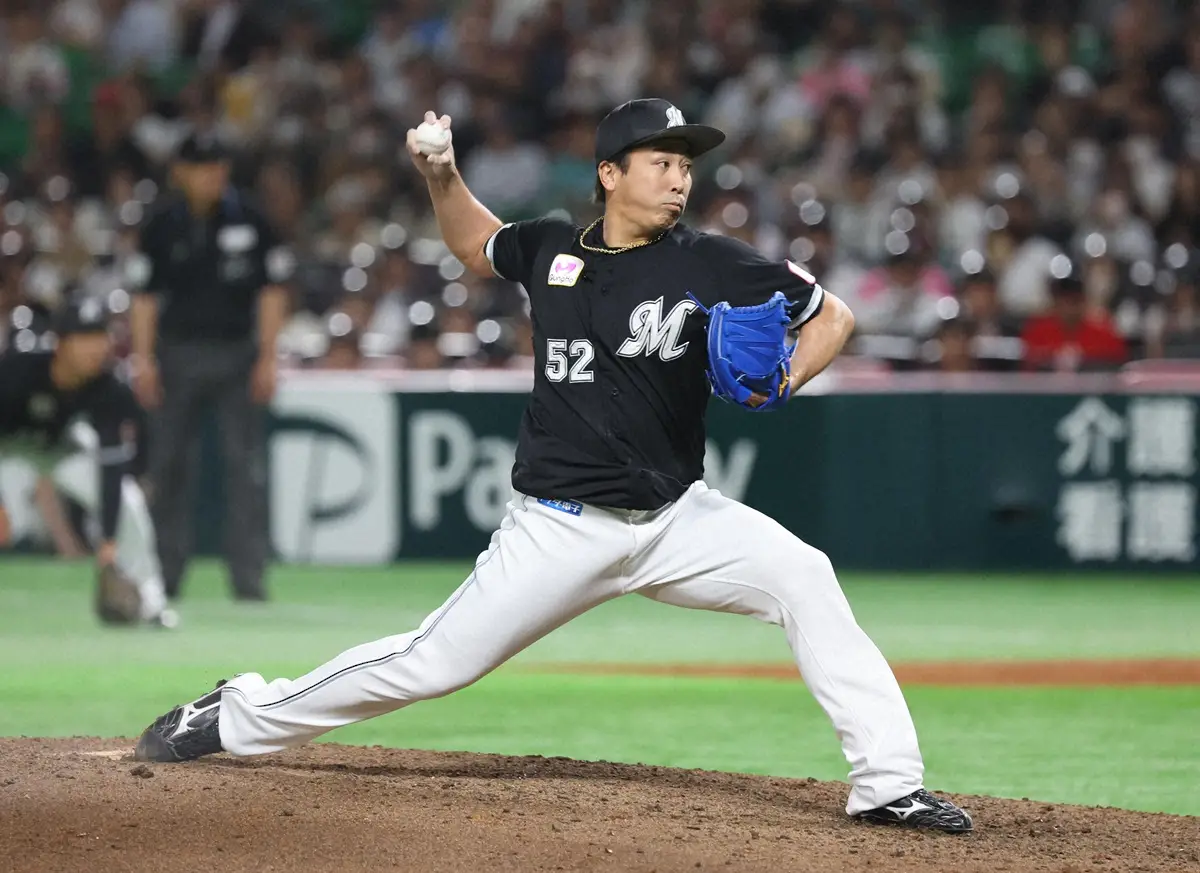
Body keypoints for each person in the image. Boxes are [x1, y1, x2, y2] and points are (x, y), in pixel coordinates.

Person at [133, 100, 973, 834]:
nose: (680, 179)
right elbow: (476, 244)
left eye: (686, 166)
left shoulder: (712, 260)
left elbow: (833, 315)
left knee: (805, 575)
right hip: (561, 527)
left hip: (677, 519)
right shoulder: (548, 248)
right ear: (609, 173)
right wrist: (441, 175)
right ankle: (238, 712)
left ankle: (888, 784)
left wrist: (785, 377)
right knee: (432, 662)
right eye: (661, 162)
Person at [127, 131, 293, 602]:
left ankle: (248, 578)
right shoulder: (160, 223)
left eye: (219, 167)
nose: (212, 176)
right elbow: (143, 297)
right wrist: (143, 359)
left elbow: (273, 291)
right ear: (181, 172)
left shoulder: (253, 218)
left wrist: (268, 356)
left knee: (246, 469)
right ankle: (164, 576)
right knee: (169, 467)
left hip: (238, 354)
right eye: (202, 167)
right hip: (177, 354)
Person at [0, 296, 174, 627]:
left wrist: (108, 541)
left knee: (129, 502)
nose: (95, 348)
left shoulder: (108, 387)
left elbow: (111, 466)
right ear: (60, 343)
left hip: (59, 449)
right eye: (83, 338)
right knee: (15, 524)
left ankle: (151, 601)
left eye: (100, 337)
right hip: (8, 450)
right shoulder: (18, 368)